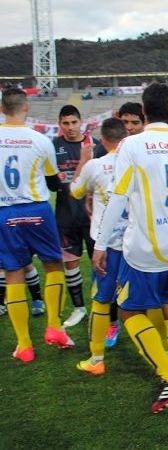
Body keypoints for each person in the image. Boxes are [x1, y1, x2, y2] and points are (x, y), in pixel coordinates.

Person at [92, 83, 168, 413]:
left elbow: (118, 197)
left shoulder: (132, 144)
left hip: (145, 247)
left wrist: (101, 243)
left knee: (128, 311)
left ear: (143, 110)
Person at [0, 87, 74, 363]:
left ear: (1, 109)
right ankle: (54, 326)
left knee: (13, 273)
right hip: (37, 210)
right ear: (26, 107)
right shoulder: (41, 140)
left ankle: (24, 345)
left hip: (5, 212)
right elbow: (54, 183)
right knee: (53, 266)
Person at [71, 118, 128, 375]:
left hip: (106, 246)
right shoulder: (136, 162)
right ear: (125, 136)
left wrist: (84, 159)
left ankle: (96, 359)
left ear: (102, 140)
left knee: (102, 301)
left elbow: (75, 191)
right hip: (135, 244)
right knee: (147, 302)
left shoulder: (95, 165)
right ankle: (161, 357)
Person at [53, 105, 107, 328]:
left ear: (81, 122)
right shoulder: (53, 146)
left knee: (100, 263)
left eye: (74, 122)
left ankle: (101, 304)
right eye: (65, 123)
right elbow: (51, 181)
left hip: (92, 217)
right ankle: (79, 308)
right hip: (65, 215)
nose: (70, 127)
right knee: (70, 262)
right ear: (60, 124)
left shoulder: (96, 145)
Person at [104, 101, 146, 348]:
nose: (129, 127)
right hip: (114, 236)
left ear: (144, 123)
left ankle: (147, 332)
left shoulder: (146, 151)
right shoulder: (106, 155)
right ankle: (112, 325)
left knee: (142, 291)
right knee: (110, 285)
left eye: (135, 122)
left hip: (140, 236)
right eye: (125, 122)